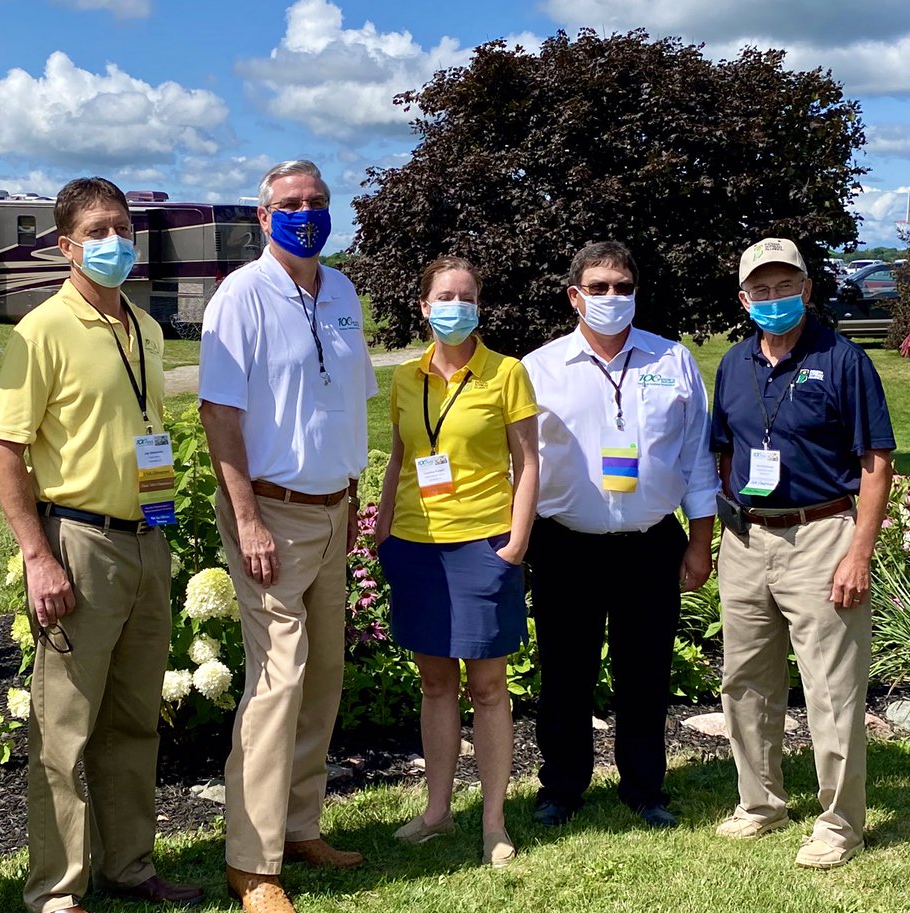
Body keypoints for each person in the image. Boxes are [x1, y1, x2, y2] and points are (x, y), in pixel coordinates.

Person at [0, 176, 204, 913]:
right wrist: (37, 555)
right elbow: (5, 447)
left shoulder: (143, 325)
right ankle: (56, 893)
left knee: (133, 719)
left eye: (124, 227)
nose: (116, 241)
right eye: (99, 230)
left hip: (147, 537)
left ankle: (131, 865)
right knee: (66, 729)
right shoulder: (41, 329)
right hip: (79, 541)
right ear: (65, 245)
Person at [199, 160, 377, 913]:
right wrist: (246, 521)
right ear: (262, 215)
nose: (306, 214)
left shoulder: (340, 291)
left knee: (322, 676)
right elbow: (219, 414)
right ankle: (252, 861)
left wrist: (352, 493)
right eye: (291, 205)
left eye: (318, 203)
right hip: (268, 512)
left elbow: (346, 400)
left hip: (331, 509)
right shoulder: (241, 295)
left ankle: (301, 826)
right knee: (277, 683)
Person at [521, 240, 719, 829]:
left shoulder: (672, 361)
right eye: (600, 287)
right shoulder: (539, 368)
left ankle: (644, 788)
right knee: (563, 672)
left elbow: (697, 461)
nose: (613, 297)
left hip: (649, 542)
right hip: (565, 544)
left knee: (646, 671)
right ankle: (560, 788)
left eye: (623, 287)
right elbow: (519, 464)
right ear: (575, 296)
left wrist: (700, 541)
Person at [711, 237, 894, 869]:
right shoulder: (733, 364)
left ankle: (840, 822)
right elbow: (726, 451)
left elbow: (876, 462)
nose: (773, 298)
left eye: (785, 286)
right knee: (745, 679)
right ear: (743, 298)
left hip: (821, 535)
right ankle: (759, 803)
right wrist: (728, 529)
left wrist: (857, 554)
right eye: (760, 289)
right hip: (747, 538)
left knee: (831, 686)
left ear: (807, 290)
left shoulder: (843, 360)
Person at [374, 256, 539, 867]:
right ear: (424, 305)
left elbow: (529, 464)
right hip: (416, 546)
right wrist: (384, 525)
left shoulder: (507, 374)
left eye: (466, 296)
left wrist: (517, 540)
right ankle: (437, 811)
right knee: (436, 683)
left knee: (489, 687)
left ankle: (493, 823)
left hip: (483, 544)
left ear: (479, 306)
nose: (456, 306)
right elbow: (398, 457)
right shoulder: (404, 378)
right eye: (444, 296)